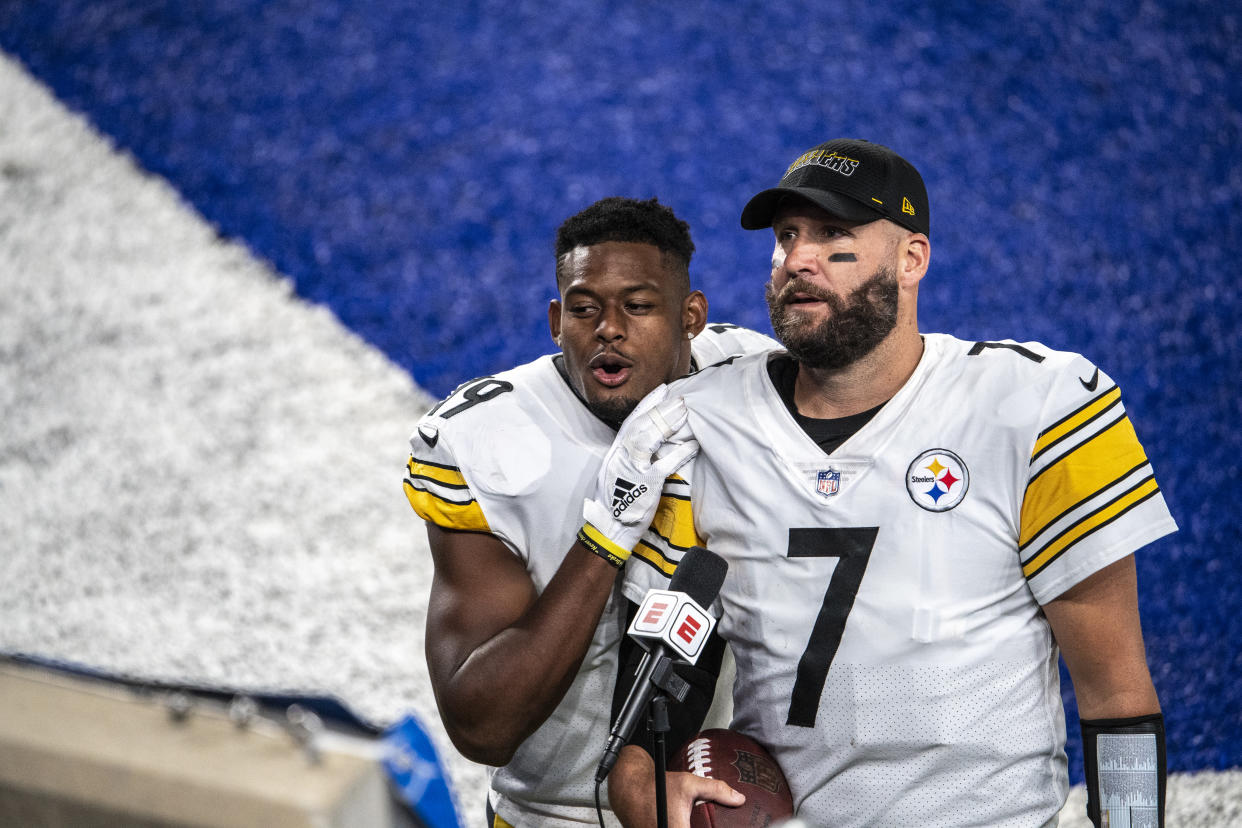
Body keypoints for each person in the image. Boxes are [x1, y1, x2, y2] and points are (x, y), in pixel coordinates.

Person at [600, 140, 1176, 827]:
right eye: (787, 237)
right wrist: (638, 779)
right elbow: (668, 667)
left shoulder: (1036, 408)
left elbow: (1116, 697)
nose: (799, 260)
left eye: (834, 234)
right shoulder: (699, 424)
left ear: (912, 259)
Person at [402, 196, 776, 827]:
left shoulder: (748, 377)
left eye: (637, 305)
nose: (608, 327)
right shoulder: (487, 442)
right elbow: (481, 726)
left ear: (692, 316)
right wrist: (605, 537)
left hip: (717, 797)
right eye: (584, 308)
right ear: (555, 320)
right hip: (559, 812)